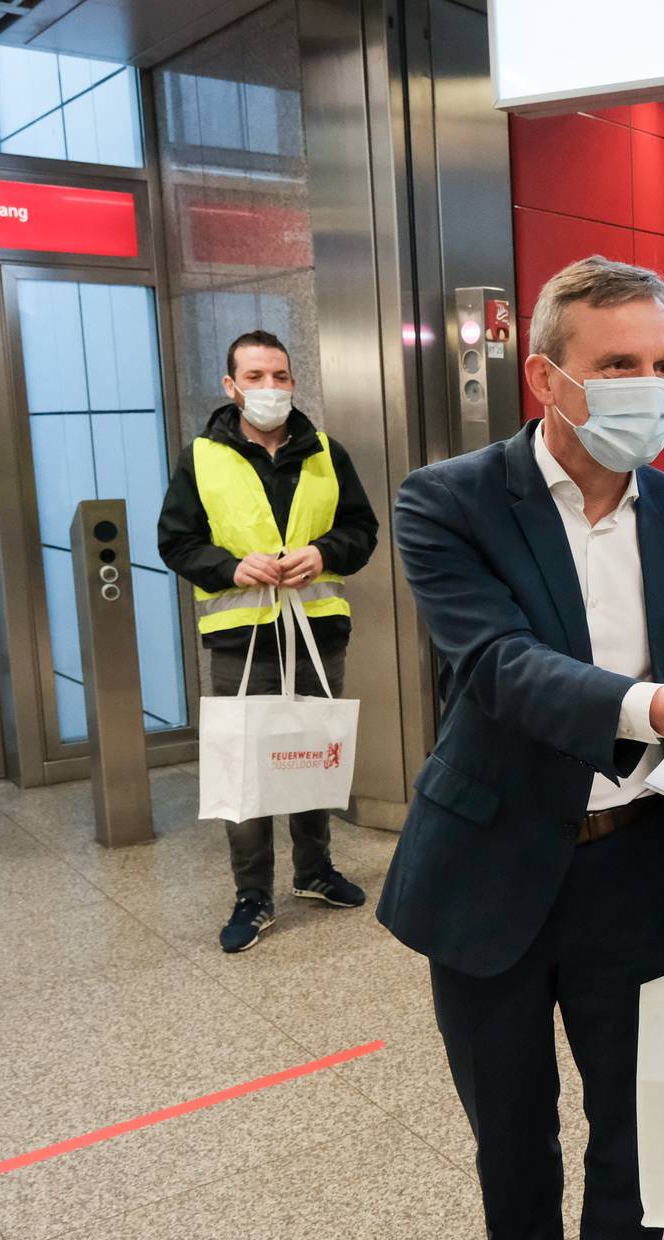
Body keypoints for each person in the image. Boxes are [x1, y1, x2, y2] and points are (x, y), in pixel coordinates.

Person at [379, 256, 664, 1240]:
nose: (648, 388)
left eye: (663, 363)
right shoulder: (449, 501)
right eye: (617, 364)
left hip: (640, 866)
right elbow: (498, 664)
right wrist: (663, 707)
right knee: (512, 1128)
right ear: (545, 377)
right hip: (493, 860)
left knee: (640, 1118)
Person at [158, 329, 378, 953]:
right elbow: (177, 542)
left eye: (280, 376)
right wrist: (232, 568)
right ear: (231, 387)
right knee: (245, 769)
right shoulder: (201, 457)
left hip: (317, 632)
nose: (270, 388)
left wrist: (322, 552)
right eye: (255, 377)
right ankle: (252, 894)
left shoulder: (325, 453)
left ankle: (314, 872)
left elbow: (361, 530)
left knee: (312, 754)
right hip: (239, 637)